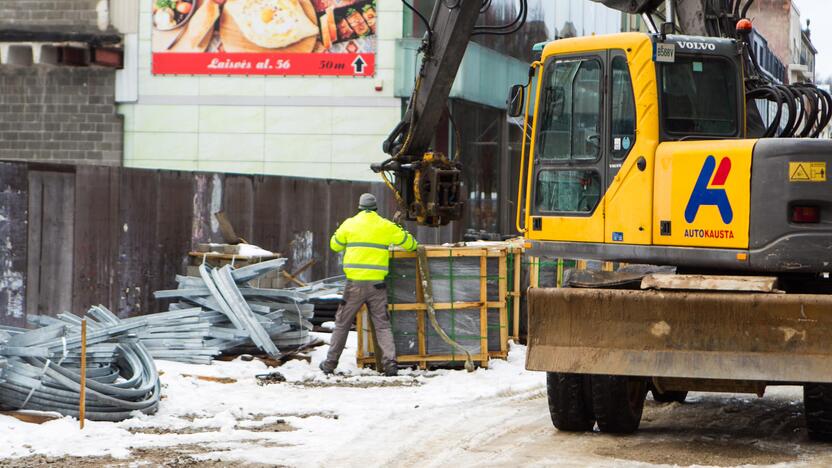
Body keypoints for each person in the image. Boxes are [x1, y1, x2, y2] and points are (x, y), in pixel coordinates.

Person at [320, 193, 418, 377]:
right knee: (382, 325)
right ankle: (390, 365)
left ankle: (329, 364)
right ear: (375, 209)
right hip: (377, 286)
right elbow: (411, 244)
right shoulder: (385, 226)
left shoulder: (349, 224)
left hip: (354, 286)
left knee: (342, 324)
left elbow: (335, 245)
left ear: (359, 207)